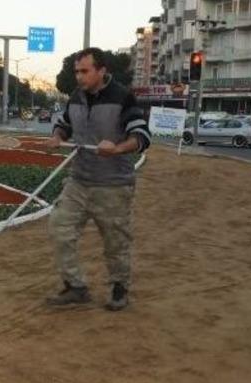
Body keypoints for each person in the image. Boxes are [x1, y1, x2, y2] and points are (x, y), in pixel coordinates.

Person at [43, 47, 151, 311]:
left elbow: (142, 137)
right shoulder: (76, 98)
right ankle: (76, 287)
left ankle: (119, 287)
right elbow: (66, 124)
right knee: (59, 228)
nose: (79, 77)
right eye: (76, 71)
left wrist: (117, 147)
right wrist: (58, 136)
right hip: (79, 181)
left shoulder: (123, 97)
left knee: (115, 241)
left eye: (84, 71)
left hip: (113, 185)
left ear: (101, 71)